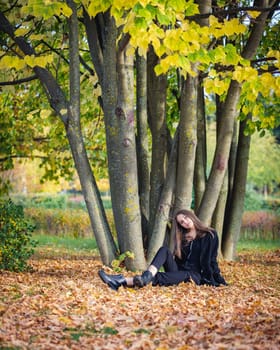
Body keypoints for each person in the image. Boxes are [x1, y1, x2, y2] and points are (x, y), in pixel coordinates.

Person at [98, 209, 228, 291]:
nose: (185, 222)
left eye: (186, 218)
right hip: (179, 271)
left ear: (191, 216)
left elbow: (211, 260)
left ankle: (121, 281)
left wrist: (218, 280)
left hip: (195, 275)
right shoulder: (183, 238)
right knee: (164, 250)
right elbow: (177, 260)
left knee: (161, 277)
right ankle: (146, 275)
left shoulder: (209, 234)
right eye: (181, 222)